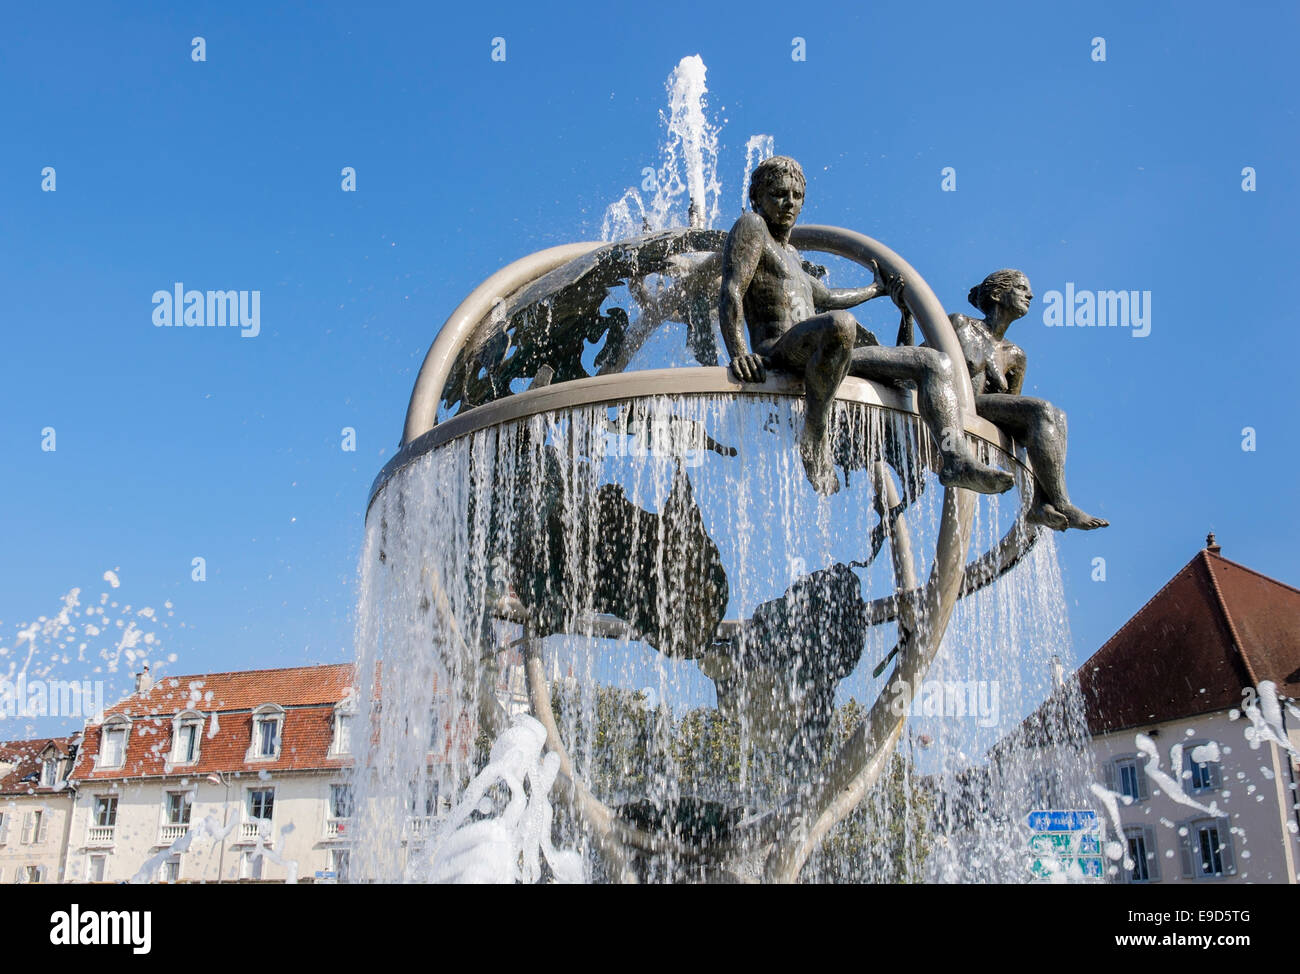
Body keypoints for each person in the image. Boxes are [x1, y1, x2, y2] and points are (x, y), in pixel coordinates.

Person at [719, 155, 1013, 496]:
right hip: (780, 350)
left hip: (826, 349)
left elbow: (828, 297)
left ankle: (955, 459)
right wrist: (739, 351)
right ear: (758, 198)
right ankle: (814, 432)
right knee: (842, 325)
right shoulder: (752, 226)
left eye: (796, 196)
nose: (789, 203)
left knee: (934, 362)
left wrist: (876, 289)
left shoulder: (794, 257)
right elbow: (732, 289)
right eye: (780, 194)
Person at [950, 269, 1107, 530]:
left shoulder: (1016, 355)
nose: (1030, 295)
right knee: (1042, 409)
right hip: (963, 406)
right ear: (998, 294)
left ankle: (1041, 503)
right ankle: (1062, 502)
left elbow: (1014, 410)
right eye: (1022, 288)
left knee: (1057, 416)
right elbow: (927, 354)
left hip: (990, 415)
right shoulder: (961, 324)